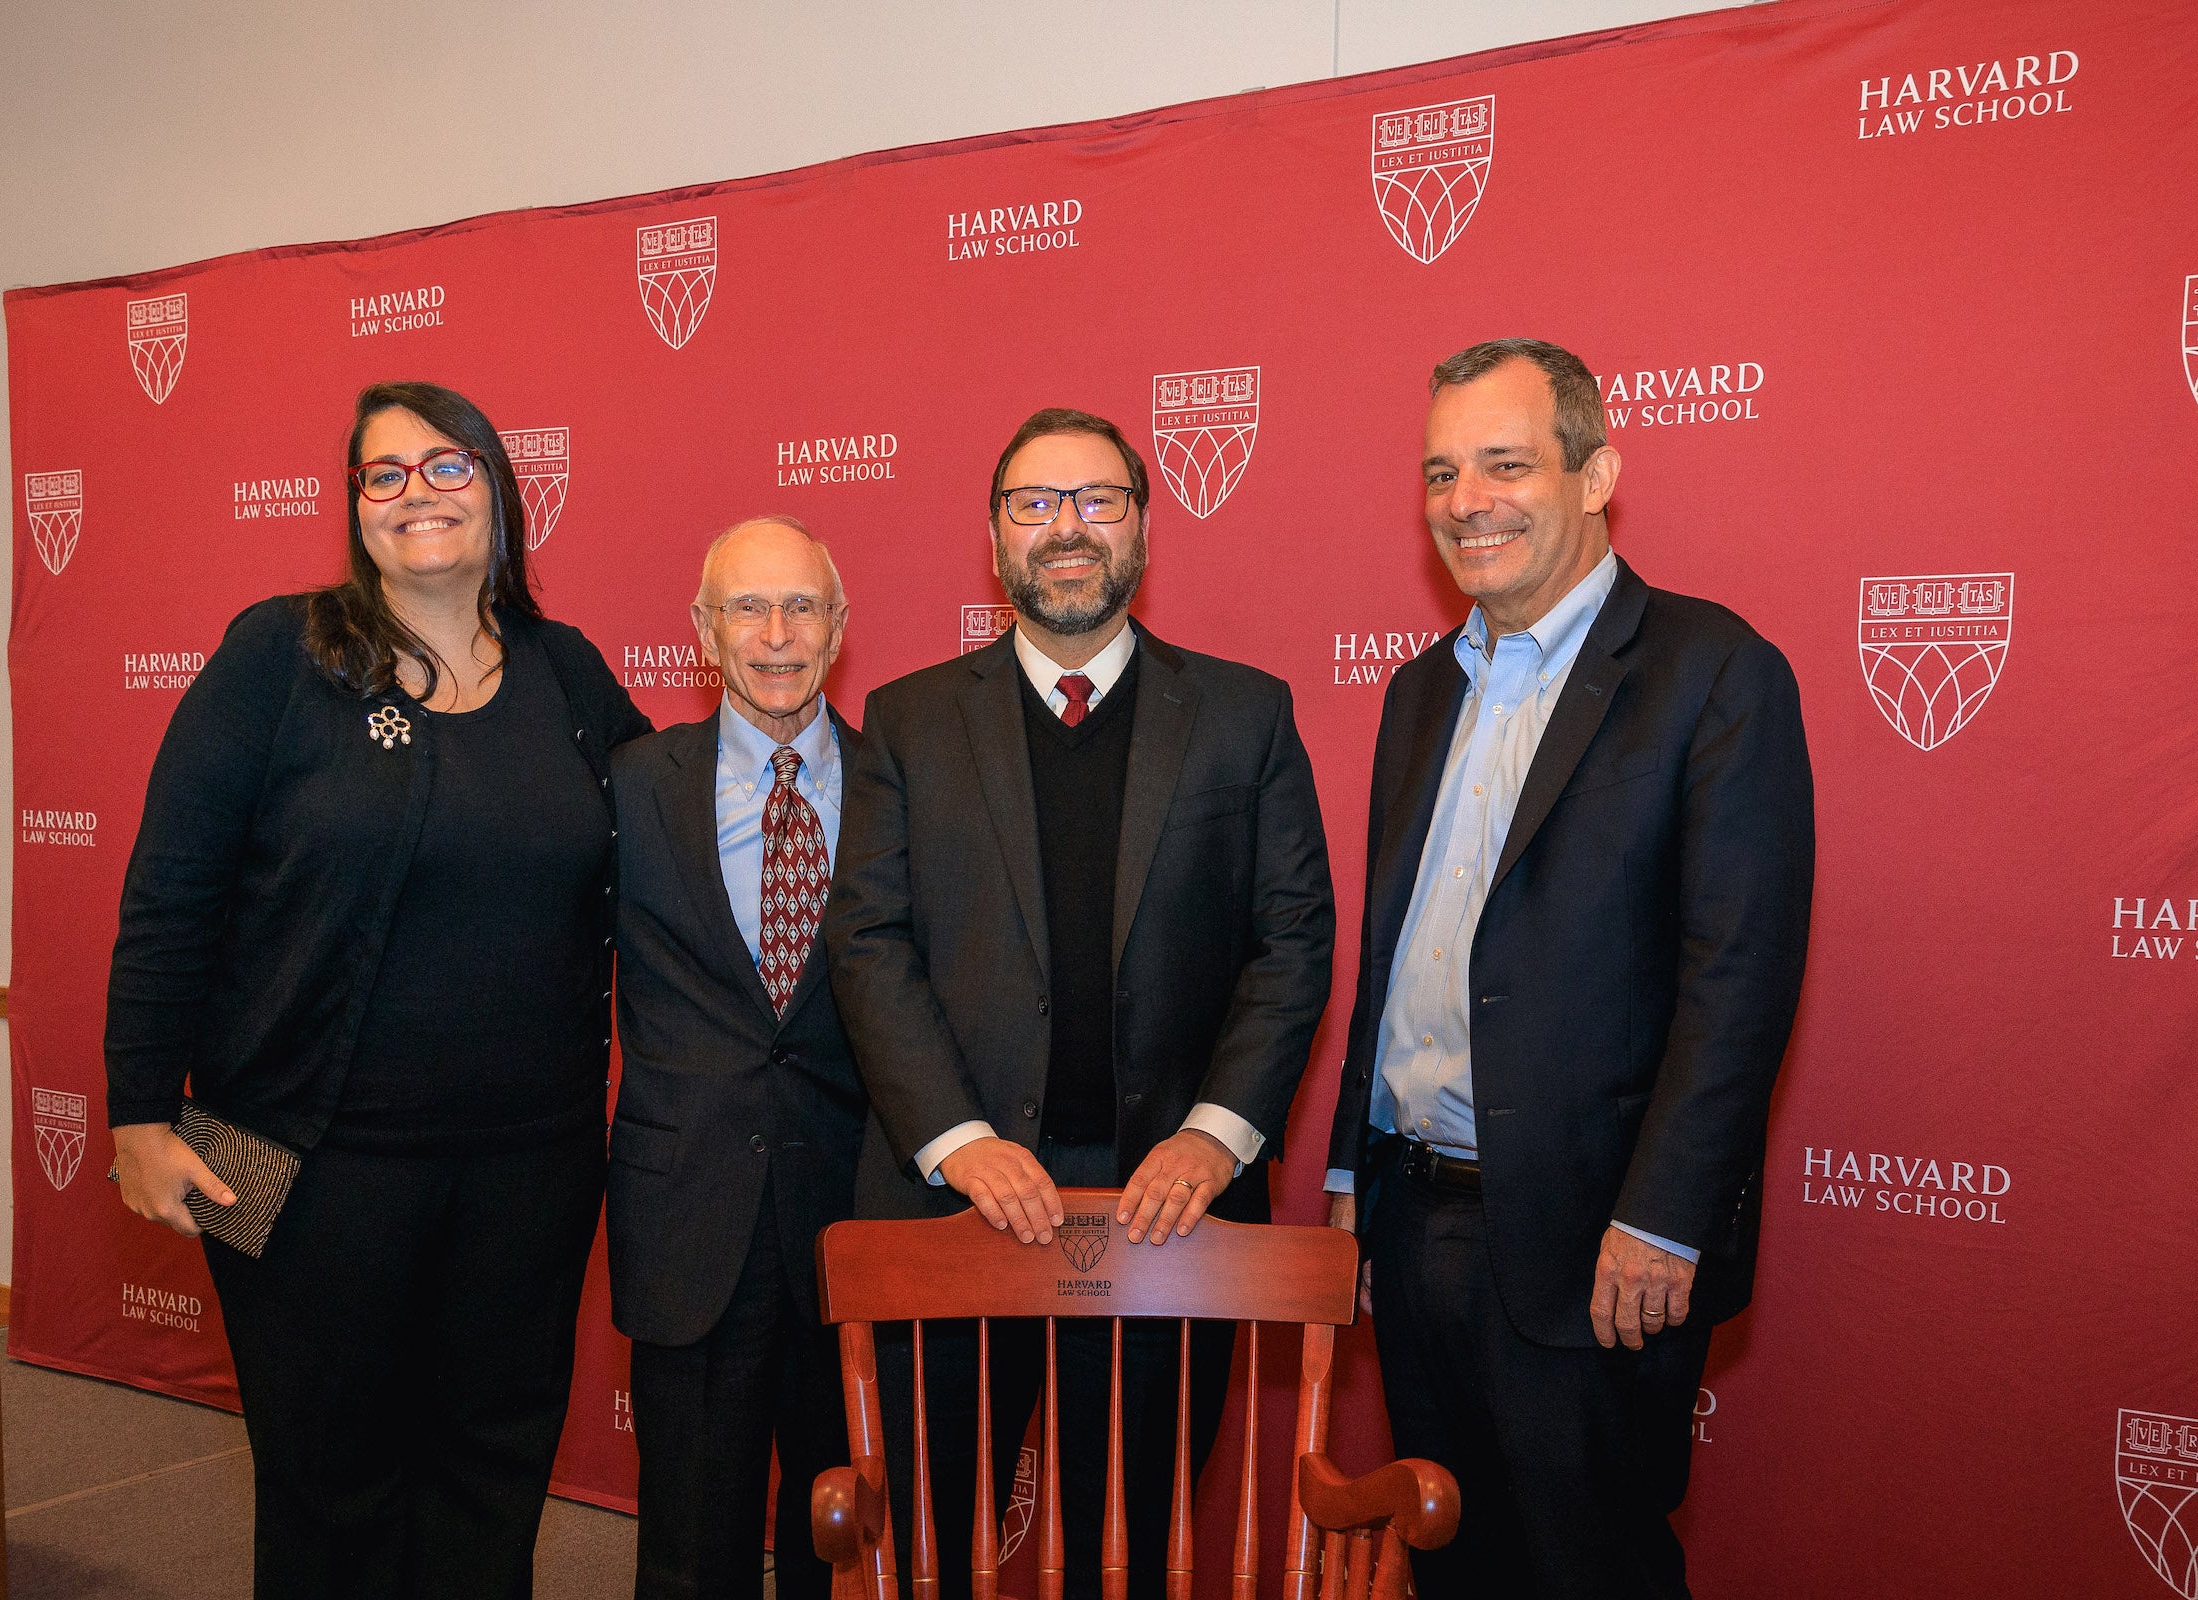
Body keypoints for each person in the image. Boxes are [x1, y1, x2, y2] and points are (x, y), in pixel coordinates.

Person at [104, 380, 651, 1600]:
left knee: (491, 1473)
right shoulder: (277, 654)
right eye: (384, 473)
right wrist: (140, 1110)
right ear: (354, 507)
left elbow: (673, 830)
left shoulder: (568, 673)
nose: (419, 493)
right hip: (285, 1157)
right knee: (324, 1481)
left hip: (529, 1165)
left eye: (448, 466)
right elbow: (172, 889)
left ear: (500, 494)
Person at [1321, 339, 1815, 1599]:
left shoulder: (1714, 675)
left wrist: (1660, 1218)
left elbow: (1738, 979)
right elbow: (1394, 956)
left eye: (1504, 463)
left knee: (1586, 1569)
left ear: (1598, 473)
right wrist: (1345, 1174)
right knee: (1452, 1566)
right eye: (1441, 472)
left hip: (1594, 1243)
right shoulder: (1418, 691)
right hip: (1412, 1219)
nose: (1466, 500)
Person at [825, 407, 1336, 1598]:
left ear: (1143, 527)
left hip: (1168, 1210)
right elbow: (870, 939)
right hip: (952, 1200)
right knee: (937, 1545)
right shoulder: (908, 717)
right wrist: (958, 1141)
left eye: (1099, 500)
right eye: (1035, 503)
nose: (1068, 528)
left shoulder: (1245, 714)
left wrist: (1216, 1137)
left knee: (1137, 1542)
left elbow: (1292, 941)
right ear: (993, 534)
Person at [606, 516, 862, 1600]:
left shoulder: (908, 779)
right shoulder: (631, 782)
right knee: (689, 1544)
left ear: (840, 627)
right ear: (702, 631)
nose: (775, 633)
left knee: (841, 1529)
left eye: (801, 605)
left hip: (853, 1212)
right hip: (687, 1215)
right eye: (746, 608)